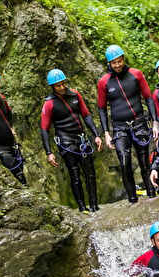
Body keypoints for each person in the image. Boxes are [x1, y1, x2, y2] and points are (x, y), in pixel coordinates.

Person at [98, 45, 159, 203]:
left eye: (119, 61)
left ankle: (152, 195)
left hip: (139, 123)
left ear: (123, 59)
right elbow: (102, 109)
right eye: (113, 63)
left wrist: (155, 123)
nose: (117, 65)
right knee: (124, 163)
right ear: (109, 63)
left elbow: (148, 99)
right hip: (119, 128)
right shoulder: (104, 82)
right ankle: (133, 200)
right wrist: (106, 133)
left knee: (144, 163)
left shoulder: (136, 74)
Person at [41, 69, 102, 214]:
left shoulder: (75, 94)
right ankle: (82, 208)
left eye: (63, 84)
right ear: (52, 87)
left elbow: (86, 115)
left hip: (82, 139)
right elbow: (45, 129)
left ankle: (94, 206)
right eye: (58, 86)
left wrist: (96, 135)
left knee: (90, 174)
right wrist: (49, 153)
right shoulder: (49, 104)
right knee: (75, 176)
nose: (62, 87)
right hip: (66, 143)